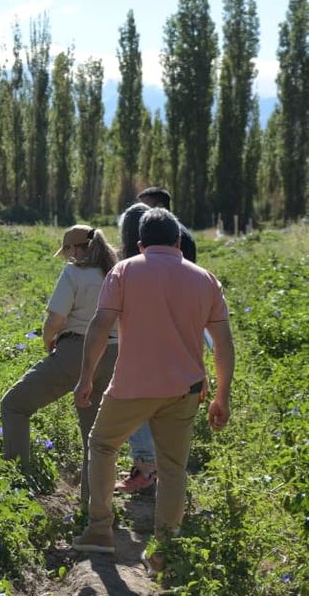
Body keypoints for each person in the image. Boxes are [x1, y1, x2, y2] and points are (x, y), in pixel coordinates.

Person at [72, 208, 234, 572]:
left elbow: (100, 328)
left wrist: (85, 378)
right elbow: (223, 343)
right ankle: (165, 549)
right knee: (174, 466)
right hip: (185, 389)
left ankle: (99, 530)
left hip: (132, 385)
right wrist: (222, 395)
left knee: (101, 445)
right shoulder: (205, 279)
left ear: (141, 244)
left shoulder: (125, 271)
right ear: (179, 241)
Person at [0, 225, 118, 505]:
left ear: (76, 249)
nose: (67, 257)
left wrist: (48, 340)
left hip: (77, 351)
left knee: (14, 405)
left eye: (67, 251)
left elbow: (56, 319)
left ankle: (18, 489)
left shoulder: (74, 273)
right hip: (114, 355)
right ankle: (95, 510)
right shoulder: (117, 273)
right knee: (95, 436)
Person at [115, 198, 200, 495]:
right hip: (183, 336)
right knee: (171, 402)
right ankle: (165, 472)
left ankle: (147, 468)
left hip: (155, 339)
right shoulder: (181, 243)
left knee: (138, 398)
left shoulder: (134, 265)